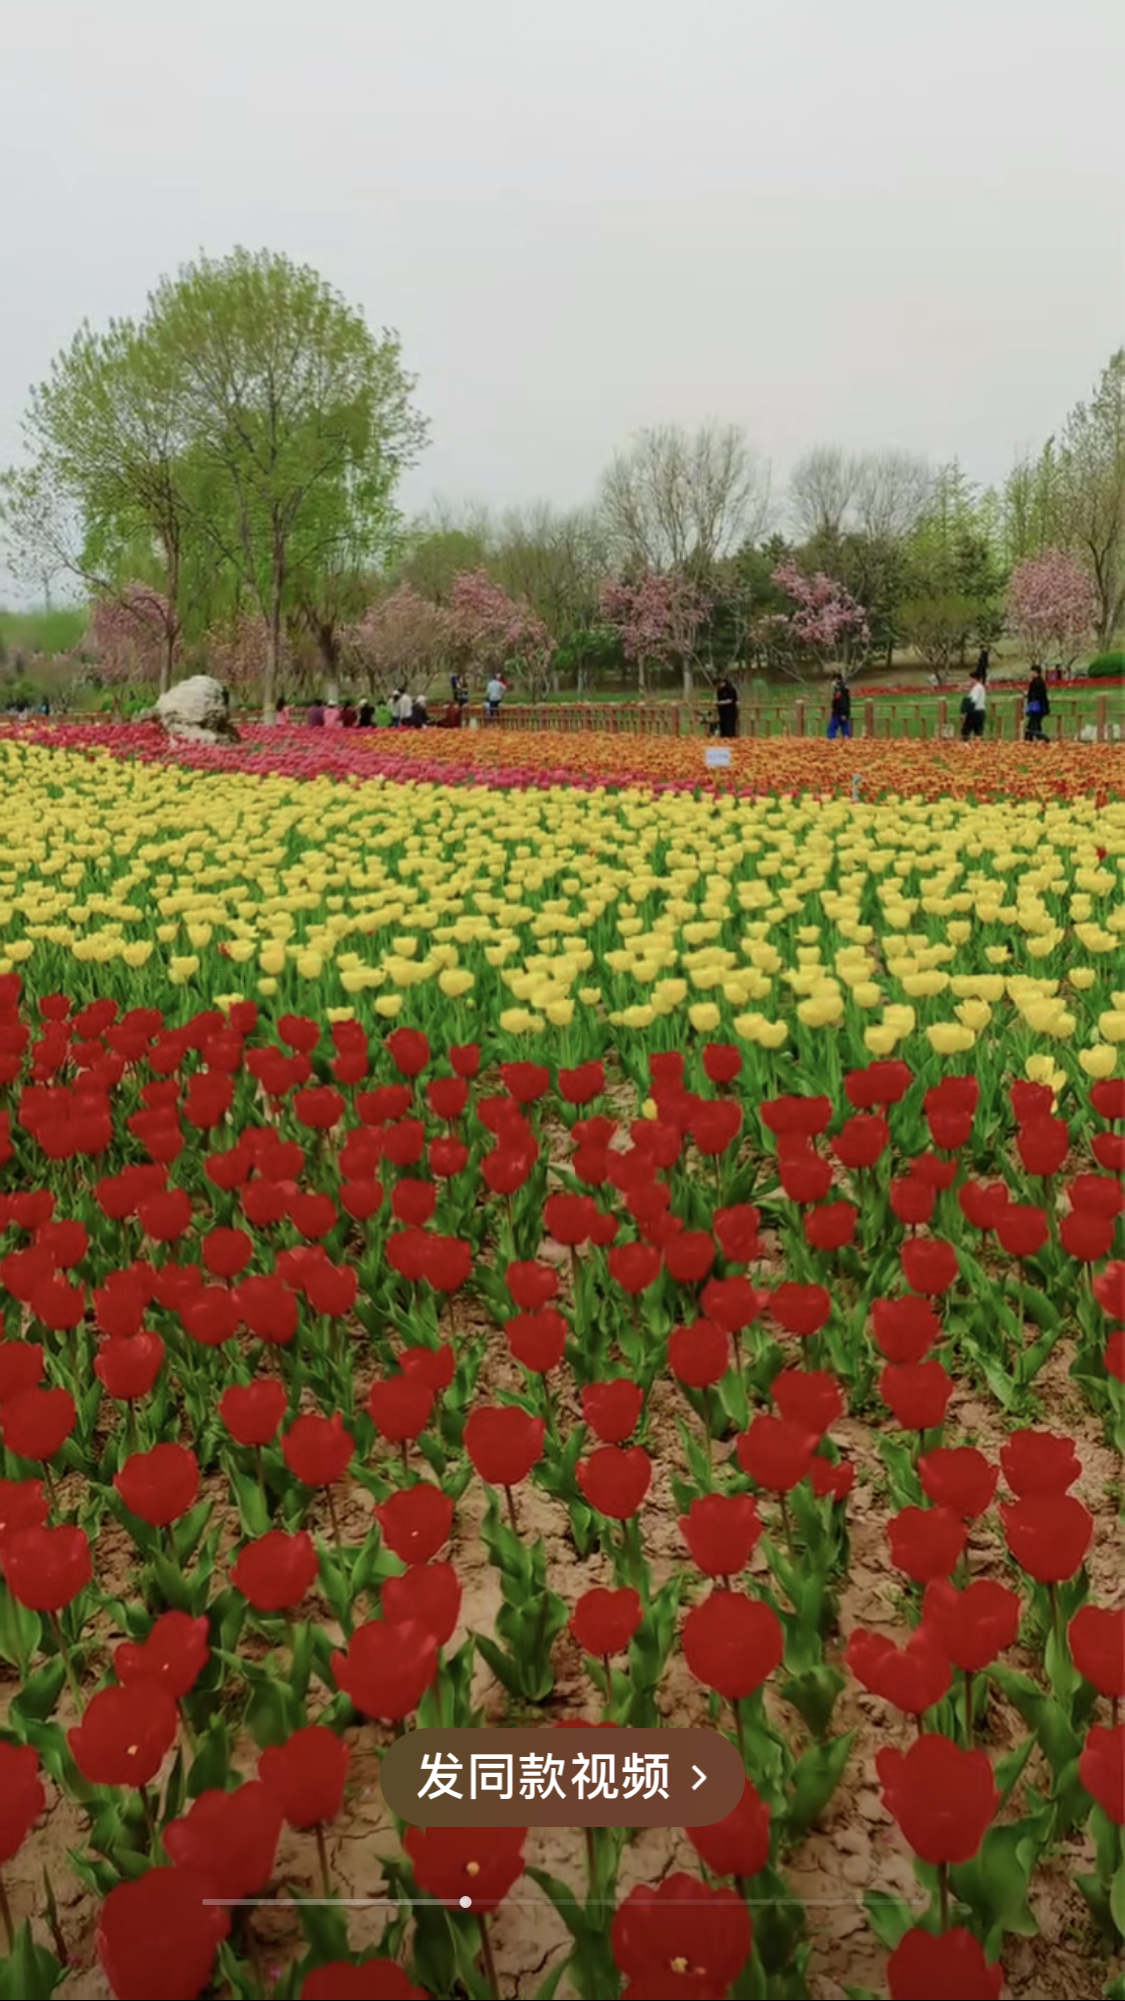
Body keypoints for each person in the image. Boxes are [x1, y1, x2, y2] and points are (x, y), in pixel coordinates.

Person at [1025, 668, 1050, 742]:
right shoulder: (1041, 682)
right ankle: (1033, 741)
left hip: (1036, 707)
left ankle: (1044, 739)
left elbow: (1033, 695)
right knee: (1036, 725)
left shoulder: (1035, 682)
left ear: (1036, 672)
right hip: (1041, 707)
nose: (1030, 674)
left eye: (1031, 672)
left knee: (1032, 727)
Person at [961, 672, 986, 740]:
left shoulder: (977, 688)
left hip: (975, 712)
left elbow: (973, 701)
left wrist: (965, 712)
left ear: (974, 679)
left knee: (966, 730)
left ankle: (965, 747)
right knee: (978, 731)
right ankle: (978, 747)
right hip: (981, 711)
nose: (969, 681)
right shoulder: (980, 687)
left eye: (970, 679)